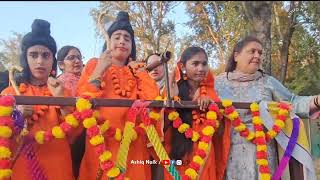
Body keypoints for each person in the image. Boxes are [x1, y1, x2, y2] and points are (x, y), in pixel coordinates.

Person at [215, 36, 320, 179]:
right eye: (252, 51)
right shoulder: (217, 83)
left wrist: (317, 101)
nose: (257, 56)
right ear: (236, 56)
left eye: (260, 52)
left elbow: (292, 102)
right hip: (229, 151)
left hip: (263, 151)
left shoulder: (268, 82)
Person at [77, 11, 160, 180]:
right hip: (102, 142)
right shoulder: (94, 64)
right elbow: (82, 99)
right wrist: (100, 69)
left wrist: (140, 72)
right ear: (108, 42)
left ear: (132, 46)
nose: (122, 41)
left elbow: (153, 101)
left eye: (127, 38)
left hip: (134, 145)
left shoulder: (137, 71)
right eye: (117, 37)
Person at [1, 19, 74, 180]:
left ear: (53, 61)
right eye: (34, 55)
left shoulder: (63, 91)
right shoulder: (9, 93)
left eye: (46, 55)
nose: (40, 61)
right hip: (22, 167)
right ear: (25, 59)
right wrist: (16, 116)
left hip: (59, 167)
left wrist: (61, 99)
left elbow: (75, 134)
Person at [163, 46, 231, 180]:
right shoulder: (172, 88)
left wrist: (212, 107)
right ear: (183, 66)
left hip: (204, 155)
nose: (201, 68)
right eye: (195, 64)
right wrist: (172, 101)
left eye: (204, 64)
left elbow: (220, 131)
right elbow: (160, 127)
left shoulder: (212, 93)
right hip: (176, 156)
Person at [56, 45, 84, 179]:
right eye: (71, 58)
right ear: (61, 64)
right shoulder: (60, 83)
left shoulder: (85, 79)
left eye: (79, 57)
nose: (77, 61)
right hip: (72, 134)